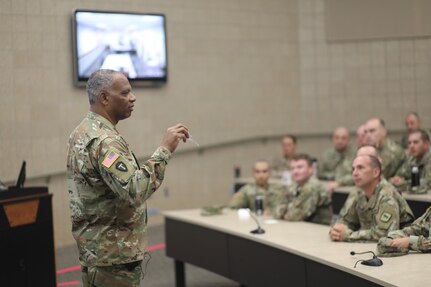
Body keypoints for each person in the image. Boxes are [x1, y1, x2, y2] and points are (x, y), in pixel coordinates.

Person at [66, 69, 190, 287]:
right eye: (124, 93)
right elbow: (135, 190)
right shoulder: (105, 141)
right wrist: (165, 149)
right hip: (113, 256)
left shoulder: (82, 131)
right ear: (104, 98)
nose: (132, 98)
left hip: (98, 251)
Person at [329, 155, 414, 242]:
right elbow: (346, 220)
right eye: (353, 169)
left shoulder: (387, 195)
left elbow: (384, 234)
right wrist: (337, 231)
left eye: (360, 168)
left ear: (375, 172)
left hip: (398, 250)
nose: (355, 173)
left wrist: (348, 235)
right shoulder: (360, 192)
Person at [274, 153, 332, 225]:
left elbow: (292, 216)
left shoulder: (313, 186)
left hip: (317, 229)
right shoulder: (295, 185)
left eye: (300, 167)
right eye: (292, 168)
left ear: (311, 169)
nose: (295, 171)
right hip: (300, 226)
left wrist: (286, 211)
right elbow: (277, 213)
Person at [390, 130, 431, 194]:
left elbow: (426, 184)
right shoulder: (411, 159)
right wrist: (396, 179)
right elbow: (399, 175)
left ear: (426, 144)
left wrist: (402, 183)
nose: (411, 146)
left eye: (415, 142)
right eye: (409, 143)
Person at [318, 127, 355, 191]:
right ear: (333, 139)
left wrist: (340, 182)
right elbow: (320, 173)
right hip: (329, 189)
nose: (340, 141)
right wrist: (332, 176)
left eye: (343, 138)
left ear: (348, 140)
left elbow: (359, 175)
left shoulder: (356, 155)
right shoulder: (326, 155)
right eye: (337, 138)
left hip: (350, 190)